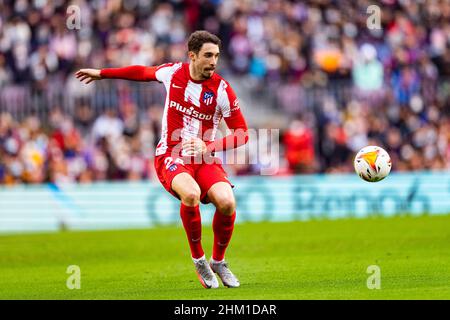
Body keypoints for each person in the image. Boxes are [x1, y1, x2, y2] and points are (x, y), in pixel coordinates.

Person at [75, 30, 249, 289]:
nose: (213, 61)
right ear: (192, 56)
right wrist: (102, 73)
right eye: (208, 55)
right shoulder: (173, 73)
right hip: (171, 153)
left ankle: (218, 262)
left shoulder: (222, 89)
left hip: (204, 157)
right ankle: (199, 259)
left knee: (226, 202)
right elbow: (141, 72)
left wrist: (209, 145)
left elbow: (242, 134)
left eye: (217, 56)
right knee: (190, 194)